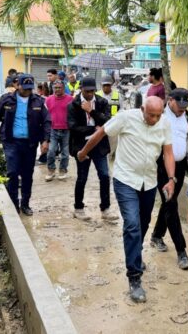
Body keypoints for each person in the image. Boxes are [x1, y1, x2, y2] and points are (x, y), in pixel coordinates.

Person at [76, 96, 175, 303]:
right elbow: (101, 132)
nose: (155, 119)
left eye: (158, 115)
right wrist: (84, 152)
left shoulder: (164, 123)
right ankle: (134, 277)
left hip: (149, 182)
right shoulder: (125, 118)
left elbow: (167, 152)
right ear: (142, 109)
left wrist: (171, 179)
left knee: (143, 223)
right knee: (131, 224)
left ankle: (135, 253)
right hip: (125, 180)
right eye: (151, 115)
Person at [0, 74, 51, 216]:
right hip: (11, 142)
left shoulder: (39, 101)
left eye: (30, 88)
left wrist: (46, 140)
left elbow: (46, 121)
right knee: (13, 172)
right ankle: (14, 203)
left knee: (27, 174)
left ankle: (25, 204)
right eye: (24, 88)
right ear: (17, 85)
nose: (27, 91)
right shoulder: (6, 100)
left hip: (30, 143)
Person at [149, 88, 188, 270]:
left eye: (185, 105)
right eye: (179, 104)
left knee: (168, 203)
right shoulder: (159, 117)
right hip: (161, 168)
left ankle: (156, 235)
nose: (182, 108)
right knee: (171, 205)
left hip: (179, 168)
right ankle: (181, 251)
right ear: (170, 100)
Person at [68, 77, 118, 222]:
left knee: (104, 176)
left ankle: (105, 208)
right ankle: (78, 208)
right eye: (87, 91)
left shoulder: (102, 102)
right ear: (81, 89)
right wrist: (93, 129)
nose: (90, 94)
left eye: (92, 91)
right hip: (82, 146)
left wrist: (92, 111)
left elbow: (108, 122)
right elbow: (73, 127)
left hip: (99, 145)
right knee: (82, 177)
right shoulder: (73, 105)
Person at [45, 80, 73, 182]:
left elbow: (75, 113)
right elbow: (45, 115)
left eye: (59, 87)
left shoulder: (70, 99)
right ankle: (51, 170)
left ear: (63, 88)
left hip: (66, 130)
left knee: (65, 153)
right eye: (55, 88)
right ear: (53, 88)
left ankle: (62, 170)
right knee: (51, 151)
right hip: (53, 130)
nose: (57, 89)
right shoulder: (48, 100)